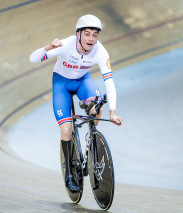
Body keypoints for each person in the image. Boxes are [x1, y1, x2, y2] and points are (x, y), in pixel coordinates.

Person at [29, 14, 122, 193]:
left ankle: (90, 141)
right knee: (66, 130)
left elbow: (109, 81)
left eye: (95, 35)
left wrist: (113, 111)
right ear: (78, 34)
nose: (91, 39)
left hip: (82, 81)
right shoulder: (66, 44)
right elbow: (33, 58)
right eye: (87, 34)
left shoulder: (100, 51)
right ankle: (69, 175)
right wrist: (48, 47)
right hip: (61, 84)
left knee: (97, 110)